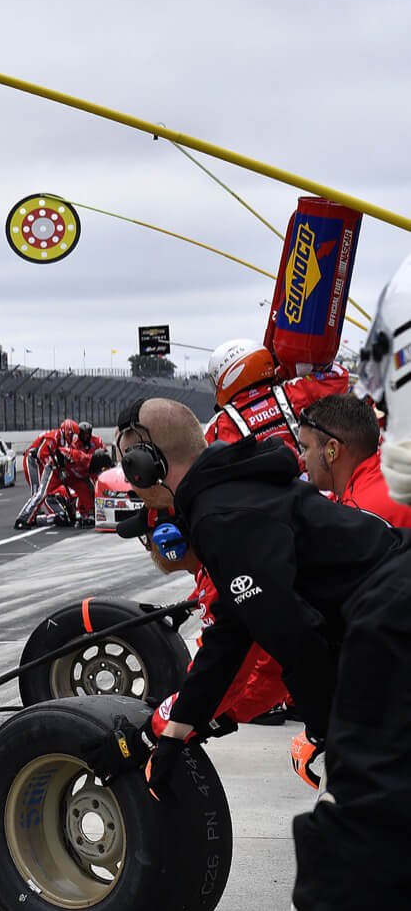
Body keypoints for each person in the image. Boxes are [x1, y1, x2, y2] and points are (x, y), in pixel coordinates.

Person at [115, 397, 411, 910]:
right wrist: (176, 731)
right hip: (389, 621)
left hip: (393, 632)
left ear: (149, 463)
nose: (129, 475)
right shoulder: (229, 495)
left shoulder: (222, 515)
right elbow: (232, 632)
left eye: (128, 462)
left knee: (341, 872)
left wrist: (330, 735)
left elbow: (295, 639)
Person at [204, 338, 349, 452]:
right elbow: (339, 376)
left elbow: (199, 466)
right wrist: (283, 372)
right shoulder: (294, 392)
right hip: (307, 480)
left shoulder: (219, 425)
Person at [297, 393, 411, 526]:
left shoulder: (360, 516)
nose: (301, 457)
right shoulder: (379, 472)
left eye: (305, 448)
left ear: (332, 450)